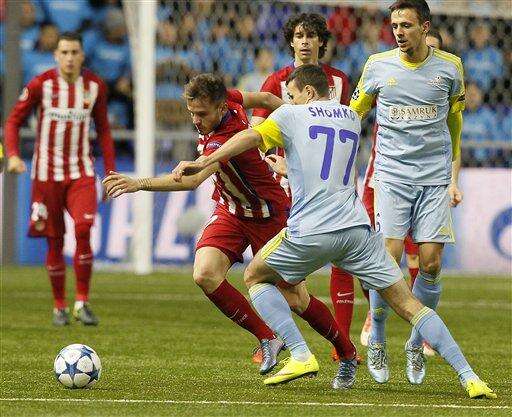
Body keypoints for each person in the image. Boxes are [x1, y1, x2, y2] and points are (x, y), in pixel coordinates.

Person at [172, 64, 496, 399]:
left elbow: (249, 137)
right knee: (410, 304)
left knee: (255, 277)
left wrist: (205, 161)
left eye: (292, 96)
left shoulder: (290, 116)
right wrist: (291, 168)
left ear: (308, 92)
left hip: (311, 230)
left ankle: (299, 353)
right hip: (356, 231)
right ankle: (469, 376)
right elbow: (323, 162)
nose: (288, 102)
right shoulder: (351, 118)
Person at [103, 74, 357, 377]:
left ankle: (346, 351)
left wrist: (138, 183)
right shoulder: (231, 99)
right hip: (231, 211)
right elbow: (265, 99)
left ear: (221, 108)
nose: (195, 120)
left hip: (268, 215)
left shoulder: (224, 140)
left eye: (202, 114)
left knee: (295, 298)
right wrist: (291, 117)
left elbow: (192, 181)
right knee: (205, 273)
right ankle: (268, 337)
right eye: (192, 113)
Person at [349, 0, 465, 385]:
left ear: (425, 27)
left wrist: (452, 167)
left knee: (430, 264)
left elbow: (454, 121)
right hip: (392, 175)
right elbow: (354, 113)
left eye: (407, 25)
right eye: (395, 25)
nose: (399, 32)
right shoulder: (377, 66)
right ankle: (378, 335)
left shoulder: (450, 68)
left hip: (432, 176)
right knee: (389, 257)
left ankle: (416, 341)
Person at [251, 12, 357, 363]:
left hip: (331, 185)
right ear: (292, 42)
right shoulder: (276, 81)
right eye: (299, 35)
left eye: (312, 36)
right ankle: (276, 336)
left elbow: (348, 128)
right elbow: (257, 132)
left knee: (341, 260)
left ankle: (341, 346)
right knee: (283, 274)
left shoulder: (339, 81)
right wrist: (271, 164)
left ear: (322, 42)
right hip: (287, 186)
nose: (306, 41)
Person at [5, 32, 116, 326]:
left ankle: (82, 302)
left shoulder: (94, 86)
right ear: (55, 55)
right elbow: (13, 121)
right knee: (55, 241)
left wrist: (110, 172)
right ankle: (59, 306)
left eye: (74, 52)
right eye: (64, 52)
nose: (69, 58)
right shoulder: (40, 85)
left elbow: (104, 130)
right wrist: (13, 155)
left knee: (84, 228)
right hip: (47, 175)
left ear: (82, 55)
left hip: (81, 171)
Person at [359, 28, 447, 355]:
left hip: (427, 179)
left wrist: (451, 180)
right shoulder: (388, 73)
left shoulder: (443, 83)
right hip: (384, 179)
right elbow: (356, 110)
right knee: (382, 256)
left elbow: (453, 133)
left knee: (424, 259)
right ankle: (374, 317)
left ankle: (421, 330)